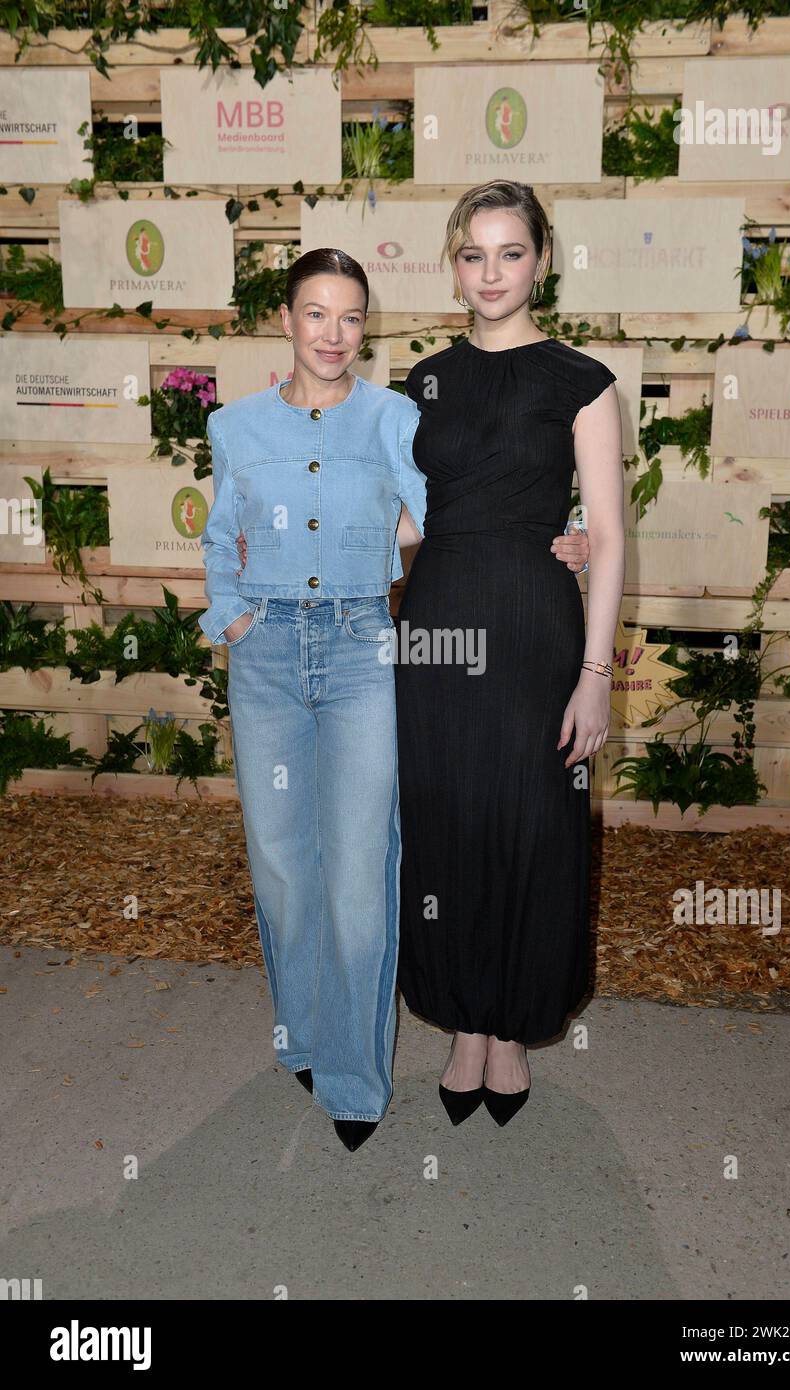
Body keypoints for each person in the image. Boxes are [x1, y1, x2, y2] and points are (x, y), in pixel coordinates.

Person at [201, 246, 590, 1151]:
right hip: (263, 657)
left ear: (363, 327)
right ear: (286, 321)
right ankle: (302, 1031)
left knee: (361, 877)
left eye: (350, 317)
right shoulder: (236, 426)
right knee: (284, 871)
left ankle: (352, 1081)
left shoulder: (395, 416)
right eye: (315, 314)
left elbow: (460, 508)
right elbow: (223, 537)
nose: (333, 334)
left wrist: (560, 534)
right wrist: (230, 619)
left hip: (359, 651)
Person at [394, 179, 625, 1127]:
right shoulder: (423, 380)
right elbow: (402, 521)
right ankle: (462, 1026)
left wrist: (596, 676)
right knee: (447, 819)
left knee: (530, 821)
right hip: (437, 621)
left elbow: (606, 535)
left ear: (541, 260)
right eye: (472, 253)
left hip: (534, 628)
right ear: (454, 265)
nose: (490, 272)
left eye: (510, 252)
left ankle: (509, 1029)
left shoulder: (581, 381)